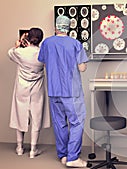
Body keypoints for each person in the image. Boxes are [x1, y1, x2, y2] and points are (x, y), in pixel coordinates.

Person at [38, 15, 88, 168]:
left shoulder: (47, 43)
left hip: (54, 90)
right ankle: (73, 156)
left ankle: (64, 155)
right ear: (69, 27)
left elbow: (44, 63)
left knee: (59, 123)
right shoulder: (75, 43)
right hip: (71, 91)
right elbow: (82, 68)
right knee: (76, 122)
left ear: (56, 27)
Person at [8, 27, 50, 158]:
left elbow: (10, 53)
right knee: (36, 118)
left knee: (20, 115)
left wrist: (18, 44)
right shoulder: (42, 54)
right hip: (37, 89)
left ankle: (20, 147)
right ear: (40, 39)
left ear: (28, 38)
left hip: (21, 89)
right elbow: (46, 65)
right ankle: (33, 150)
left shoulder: (20, 52)